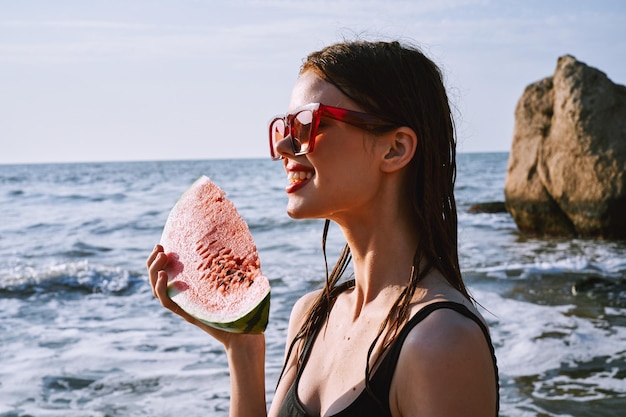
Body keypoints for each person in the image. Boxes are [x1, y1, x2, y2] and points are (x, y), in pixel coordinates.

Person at [147, 39, 499, 417]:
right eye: (283, 126)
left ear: (395, 149)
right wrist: (243, 349)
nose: (283, 145)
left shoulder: (442, 342)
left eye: (307, 124)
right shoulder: (311, 315)